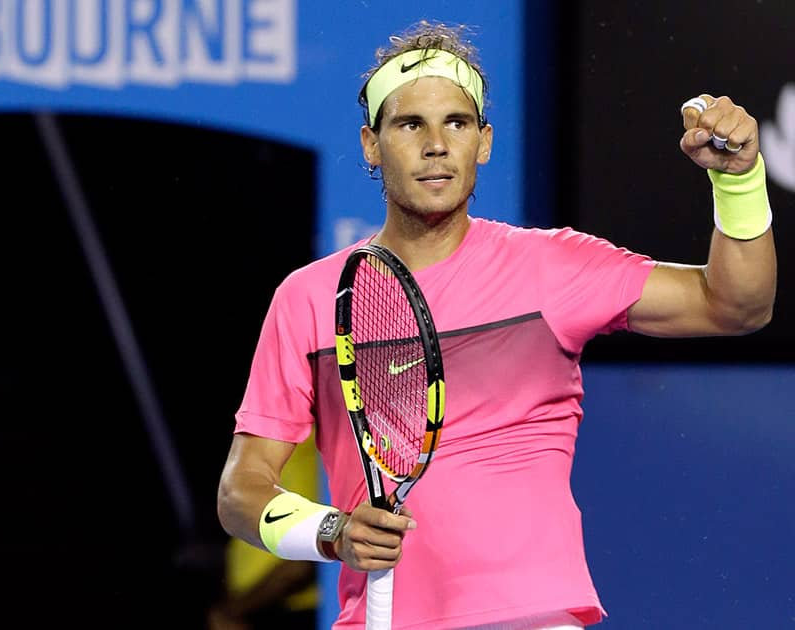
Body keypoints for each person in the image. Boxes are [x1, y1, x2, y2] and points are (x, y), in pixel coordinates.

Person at [215, 19, 776, 630]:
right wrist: (332, 531)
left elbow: (738, 305)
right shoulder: (310, 298)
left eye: (456, 123)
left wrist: (739, 180)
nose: (436, 144)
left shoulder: (554, 268)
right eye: (410, 125)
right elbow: (241, 490)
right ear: (372, 145)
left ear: (483, 141)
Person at [208, 434, 320, 630]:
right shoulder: (257, 443)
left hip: (295, 611)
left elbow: (304, 561)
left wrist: (234, 610)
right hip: (255, 610)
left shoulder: (307, 444)